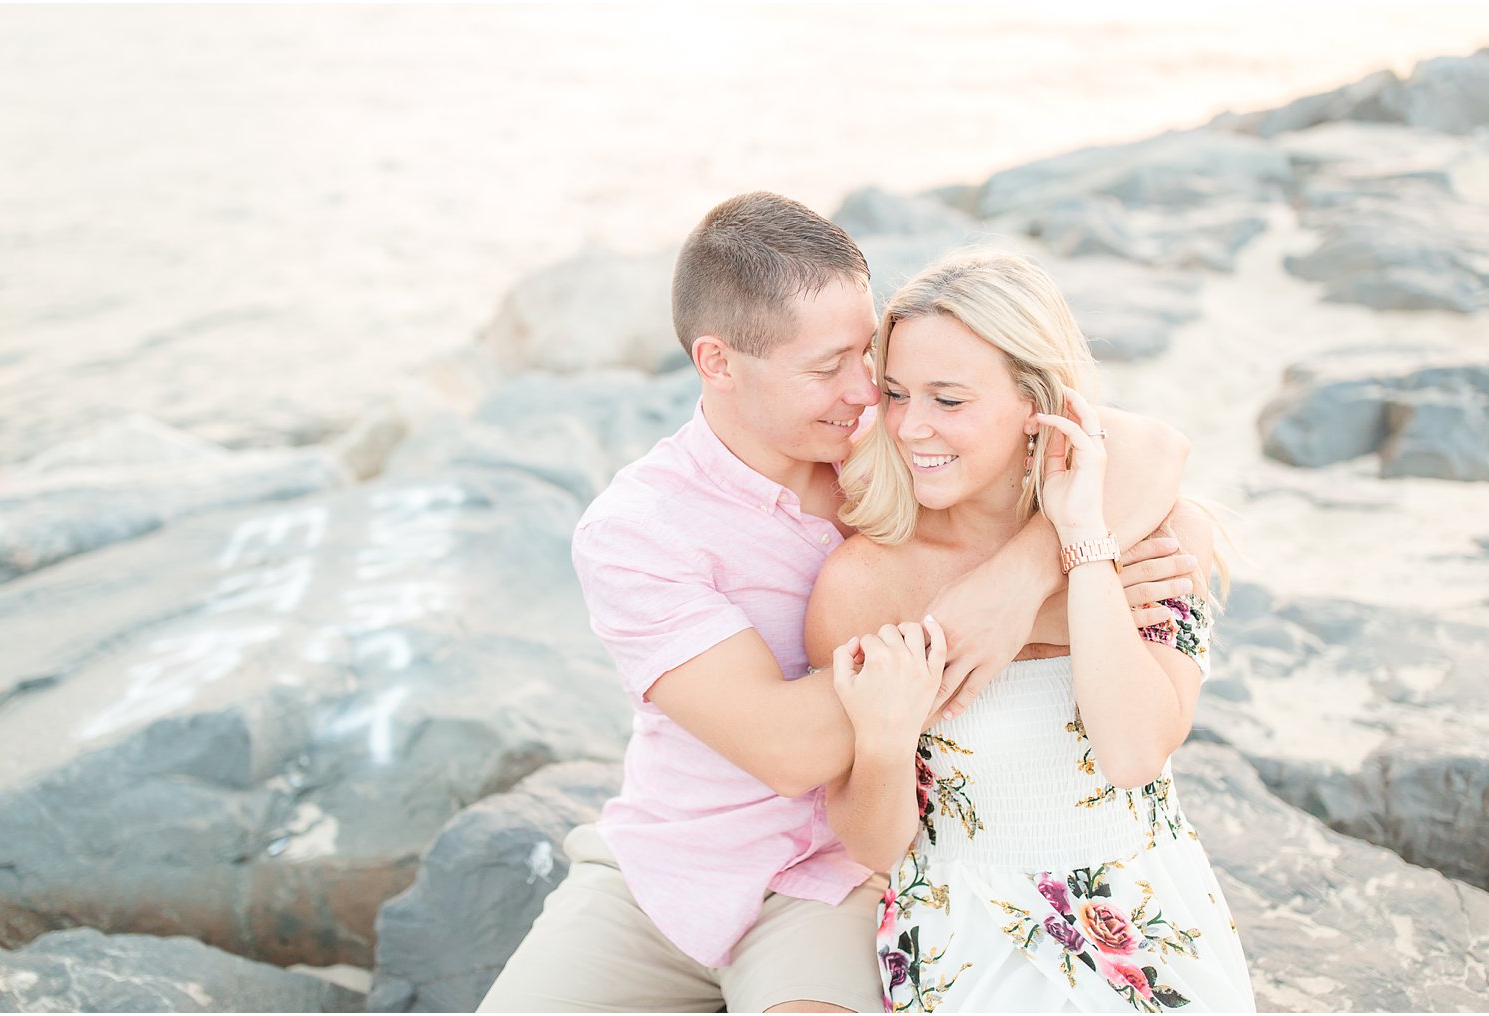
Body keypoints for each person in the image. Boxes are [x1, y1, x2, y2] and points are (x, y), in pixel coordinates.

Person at [480, 194, 1197, 1013]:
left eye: (868, 356)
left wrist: (1024, 579)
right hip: (670, 869)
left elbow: (1148, 445)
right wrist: (1024, 619)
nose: (864, 393)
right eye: (827, 369)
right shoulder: (637, 529)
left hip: (841, 876)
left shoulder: (902, 445)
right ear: (718, 363)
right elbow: (788, 750)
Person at [805, 250, 1256, 1013]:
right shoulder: (864, 581)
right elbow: (875, 847)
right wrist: (883, 738)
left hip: (1150, 921)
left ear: (1037, 406)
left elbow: (1133, 751)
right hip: (964, 930)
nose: (913, 426)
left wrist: (1080, 546)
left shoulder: (1159, 534)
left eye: (949, 400)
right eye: (896, 393)